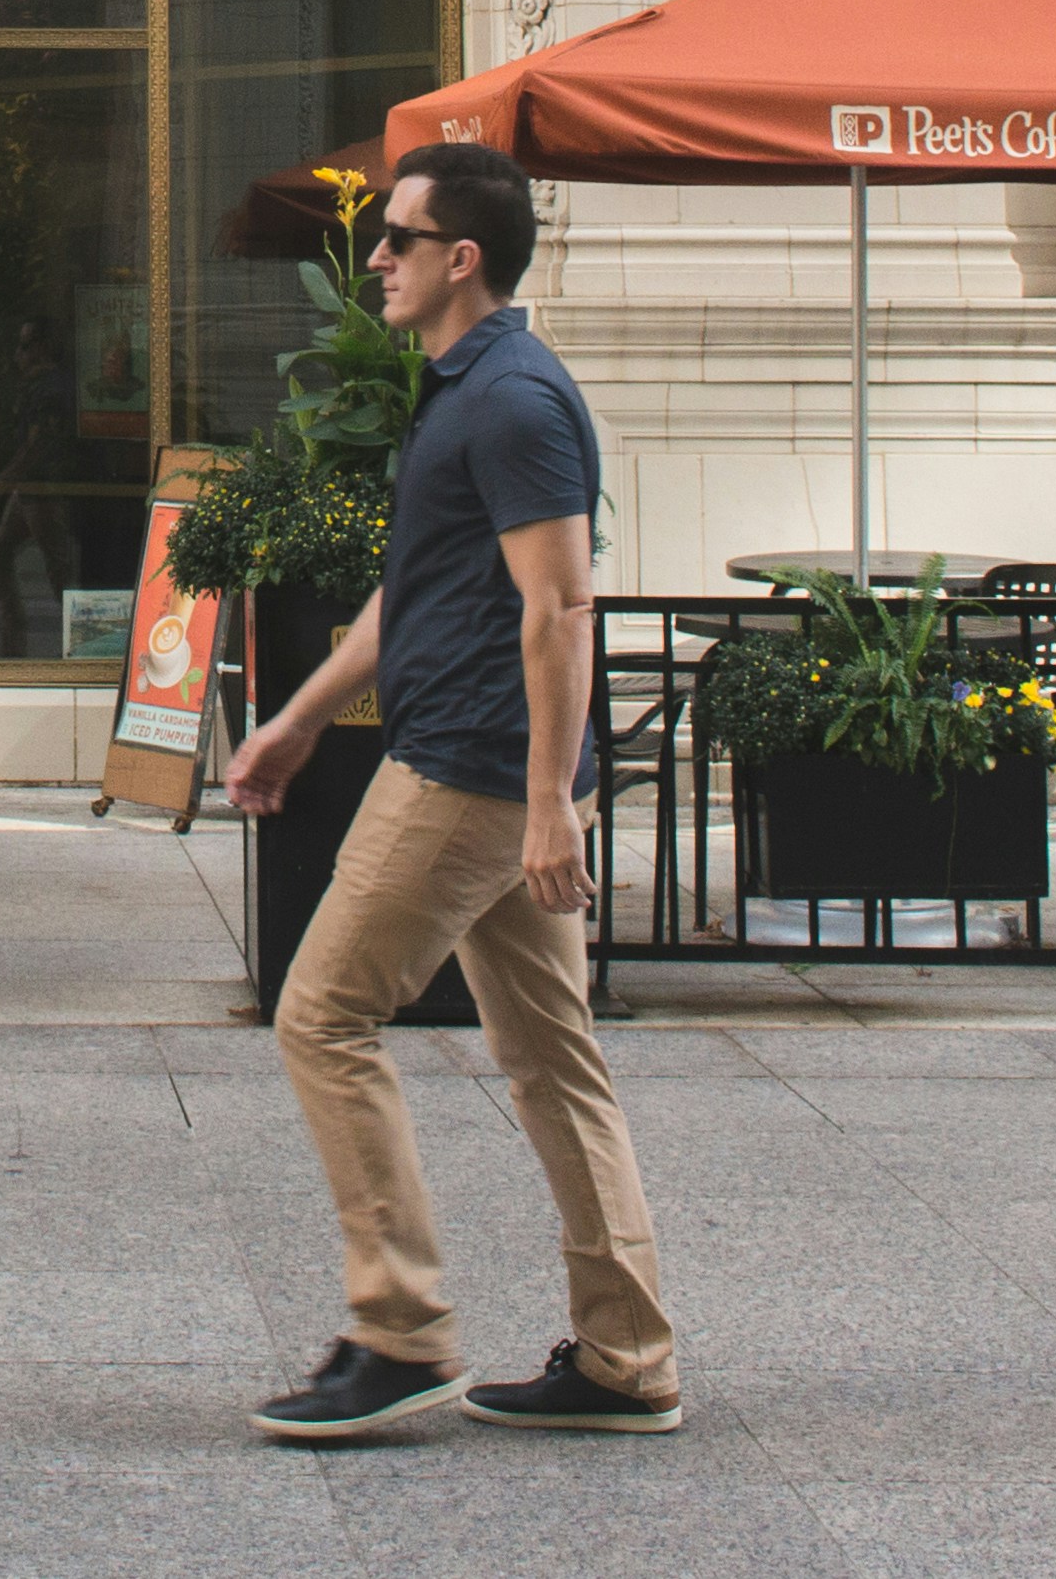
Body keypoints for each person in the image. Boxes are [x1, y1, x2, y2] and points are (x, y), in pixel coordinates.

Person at [220, 141, 678, 1442]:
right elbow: (410, 597)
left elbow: (561, 607)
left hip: (472, 775)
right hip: (482, 767)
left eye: (397, 239)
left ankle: (399, 1329)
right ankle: (625, 1356)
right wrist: (298, 721)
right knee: (551, 1061)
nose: (373, 258)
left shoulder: (515, 401)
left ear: (457, 258)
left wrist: (545, 803)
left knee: (321, 1017)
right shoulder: (462, 387)